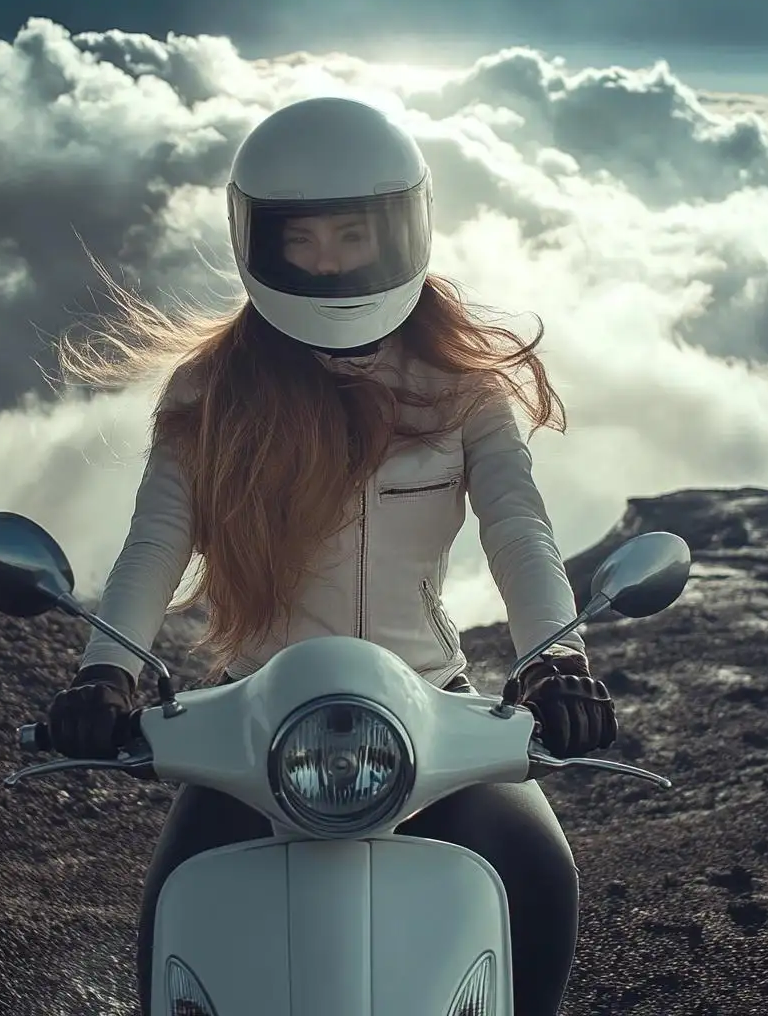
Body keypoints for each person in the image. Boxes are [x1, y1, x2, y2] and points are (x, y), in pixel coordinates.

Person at [44, 96, 608, 1016]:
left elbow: (519, 529)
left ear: (403, 229)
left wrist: (558, 659)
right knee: (173, 939)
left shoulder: (464, 391)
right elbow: (156, 539)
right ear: (258, 243)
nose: (330, 260)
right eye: (301, 239)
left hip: (428, 703)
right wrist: (106, 671)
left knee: (542, 879)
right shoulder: (208, 391)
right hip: (258, 714)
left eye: (352, 234)